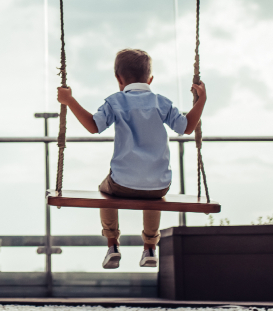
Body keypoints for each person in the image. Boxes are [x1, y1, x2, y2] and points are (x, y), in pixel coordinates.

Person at [57, 48, 206, 269]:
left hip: (121, 184)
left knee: (104, 191)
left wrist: (69, 101)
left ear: (118, 79)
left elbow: (93, 126)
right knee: (152, 196)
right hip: (160, 184)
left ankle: (112, 245)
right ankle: (150, 248)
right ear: (151, 79)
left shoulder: (115, 102)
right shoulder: (161, 102)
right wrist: (201, 100)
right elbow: (187, 128)